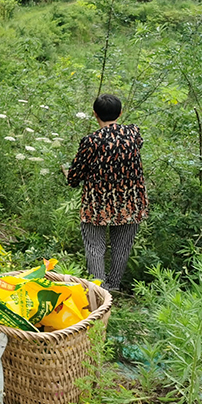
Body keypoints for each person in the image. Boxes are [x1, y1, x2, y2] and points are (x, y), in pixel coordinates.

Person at [65, 94, 148, 291]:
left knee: (95, 248)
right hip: (130, 201)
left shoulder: (91, 141)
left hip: (97, 204)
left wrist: (71, 177)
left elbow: (75, 176)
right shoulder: (133, 133)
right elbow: (136, 146)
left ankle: (99, 292)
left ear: (95, 114)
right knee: (122, 248)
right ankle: (113, 286)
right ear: (120, 113)